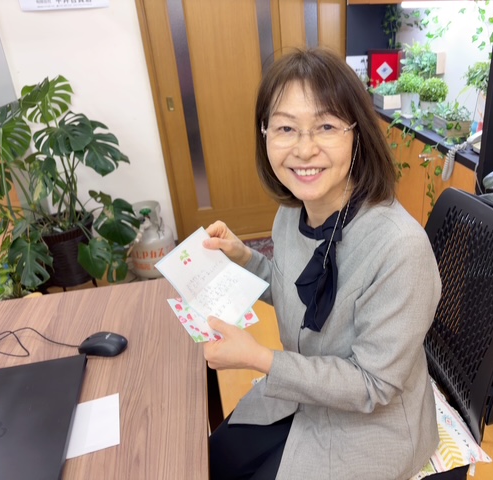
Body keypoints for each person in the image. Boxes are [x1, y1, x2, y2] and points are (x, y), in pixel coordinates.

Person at [203, 48, 441, 480]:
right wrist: (245, 259)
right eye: (285, 128)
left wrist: (261, 359)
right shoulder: (291, 213)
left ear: (357, 134)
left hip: (373, 427)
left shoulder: (400, 248)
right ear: (265, 135)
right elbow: (295, 293)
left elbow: (373, 384)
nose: (304, 149)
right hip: (304, 395)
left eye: (326, 126)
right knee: (210, 461)